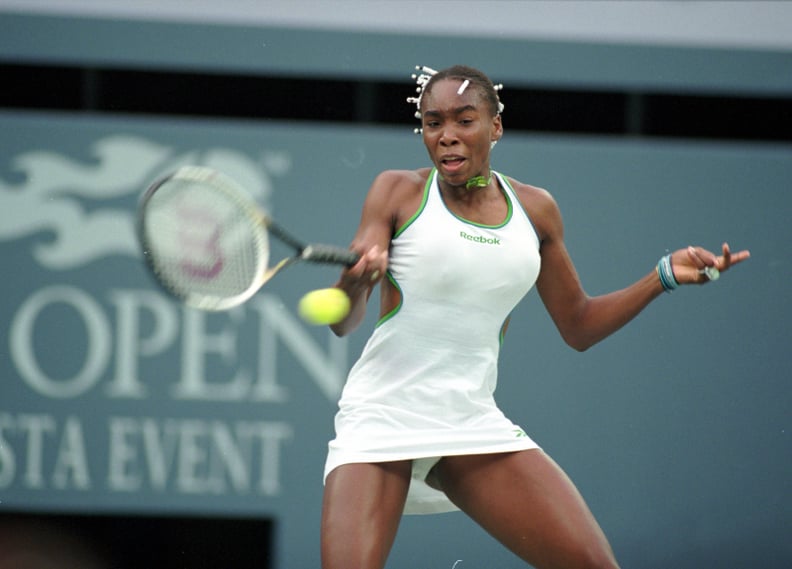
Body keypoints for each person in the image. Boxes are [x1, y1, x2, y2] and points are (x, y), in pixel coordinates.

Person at [320, 65, 750, 569]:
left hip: (470, 421)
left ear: (495, 127)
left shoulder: (536, 210)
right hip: (382, 416)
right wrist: (354, 283)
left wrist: (662, 277)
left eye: (465, 120)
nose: (448, 136)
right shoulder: (398, 192)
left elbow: (579, 325)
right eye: (433, 123)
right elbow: (343, 322)